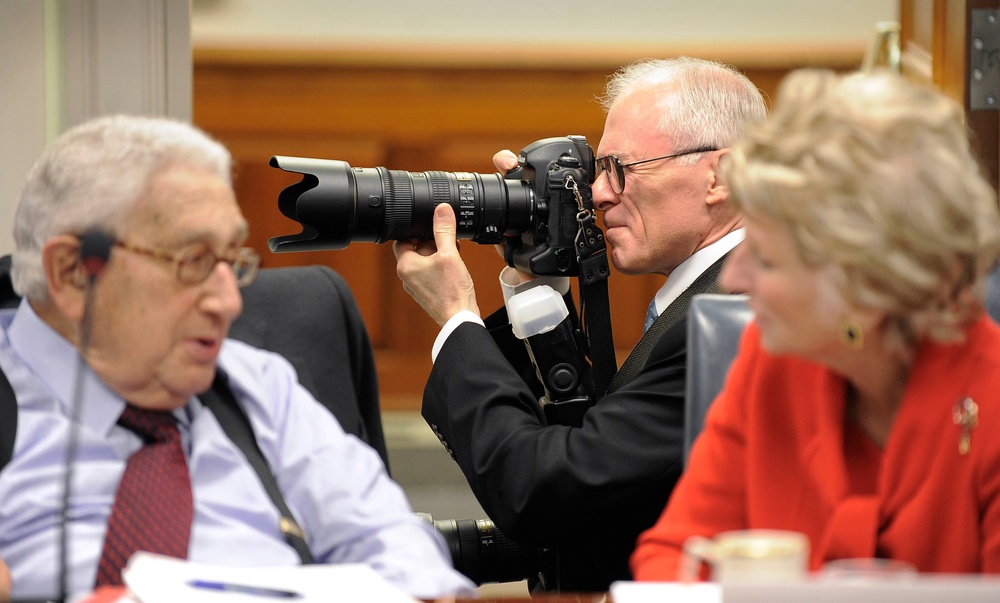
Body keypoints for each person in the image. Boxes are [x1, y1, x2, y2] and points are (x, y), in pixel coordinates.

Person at [0, 115, 474, 601]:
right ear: (74, 272)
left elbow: (400, 550)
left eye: (231, 261)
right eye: (194, 262)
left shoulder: (257, 384)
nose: (229, 303)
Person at [393, 57, 766, 591]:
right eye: (598, 170)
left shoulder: (729, 318)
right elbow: (599, 441)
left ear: (720, 177)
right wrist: (532, 282)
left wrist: (456, 317)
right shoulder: (720, 291)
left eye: (622, 169)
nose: (597, 193)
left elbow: (547, 490)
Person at [631, 68, 1000, 579]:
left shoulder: (990, 403)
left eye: (765, 259)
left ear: (866, 288)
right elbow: (670, 555)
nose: (733, 278)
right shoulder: (769, 359)